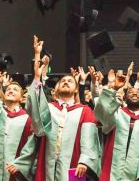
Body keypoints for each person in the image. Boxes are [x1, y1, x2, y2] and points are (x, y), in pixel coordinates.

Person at [27, 36, 100, 181]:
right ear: (57, 88)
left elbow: (89, 138)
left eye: (70, 81)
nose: (66, 82)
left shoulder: (84, 111)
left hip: (74, 164)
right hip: (47, 163)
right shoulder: (48, 108)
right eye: (63, 81)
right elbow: (33, 108)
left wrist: (84, 160)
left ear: (76, 89)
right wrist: (37, 73)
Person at [95, 67, 139, 181]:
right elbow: (102, 112)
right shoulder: (116, 113)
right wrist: (114, 88)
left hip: (136, 173)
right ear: (125, 98)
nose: (134, 94)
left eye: (138, 93)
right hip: (111, 170)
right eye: (131, 93)